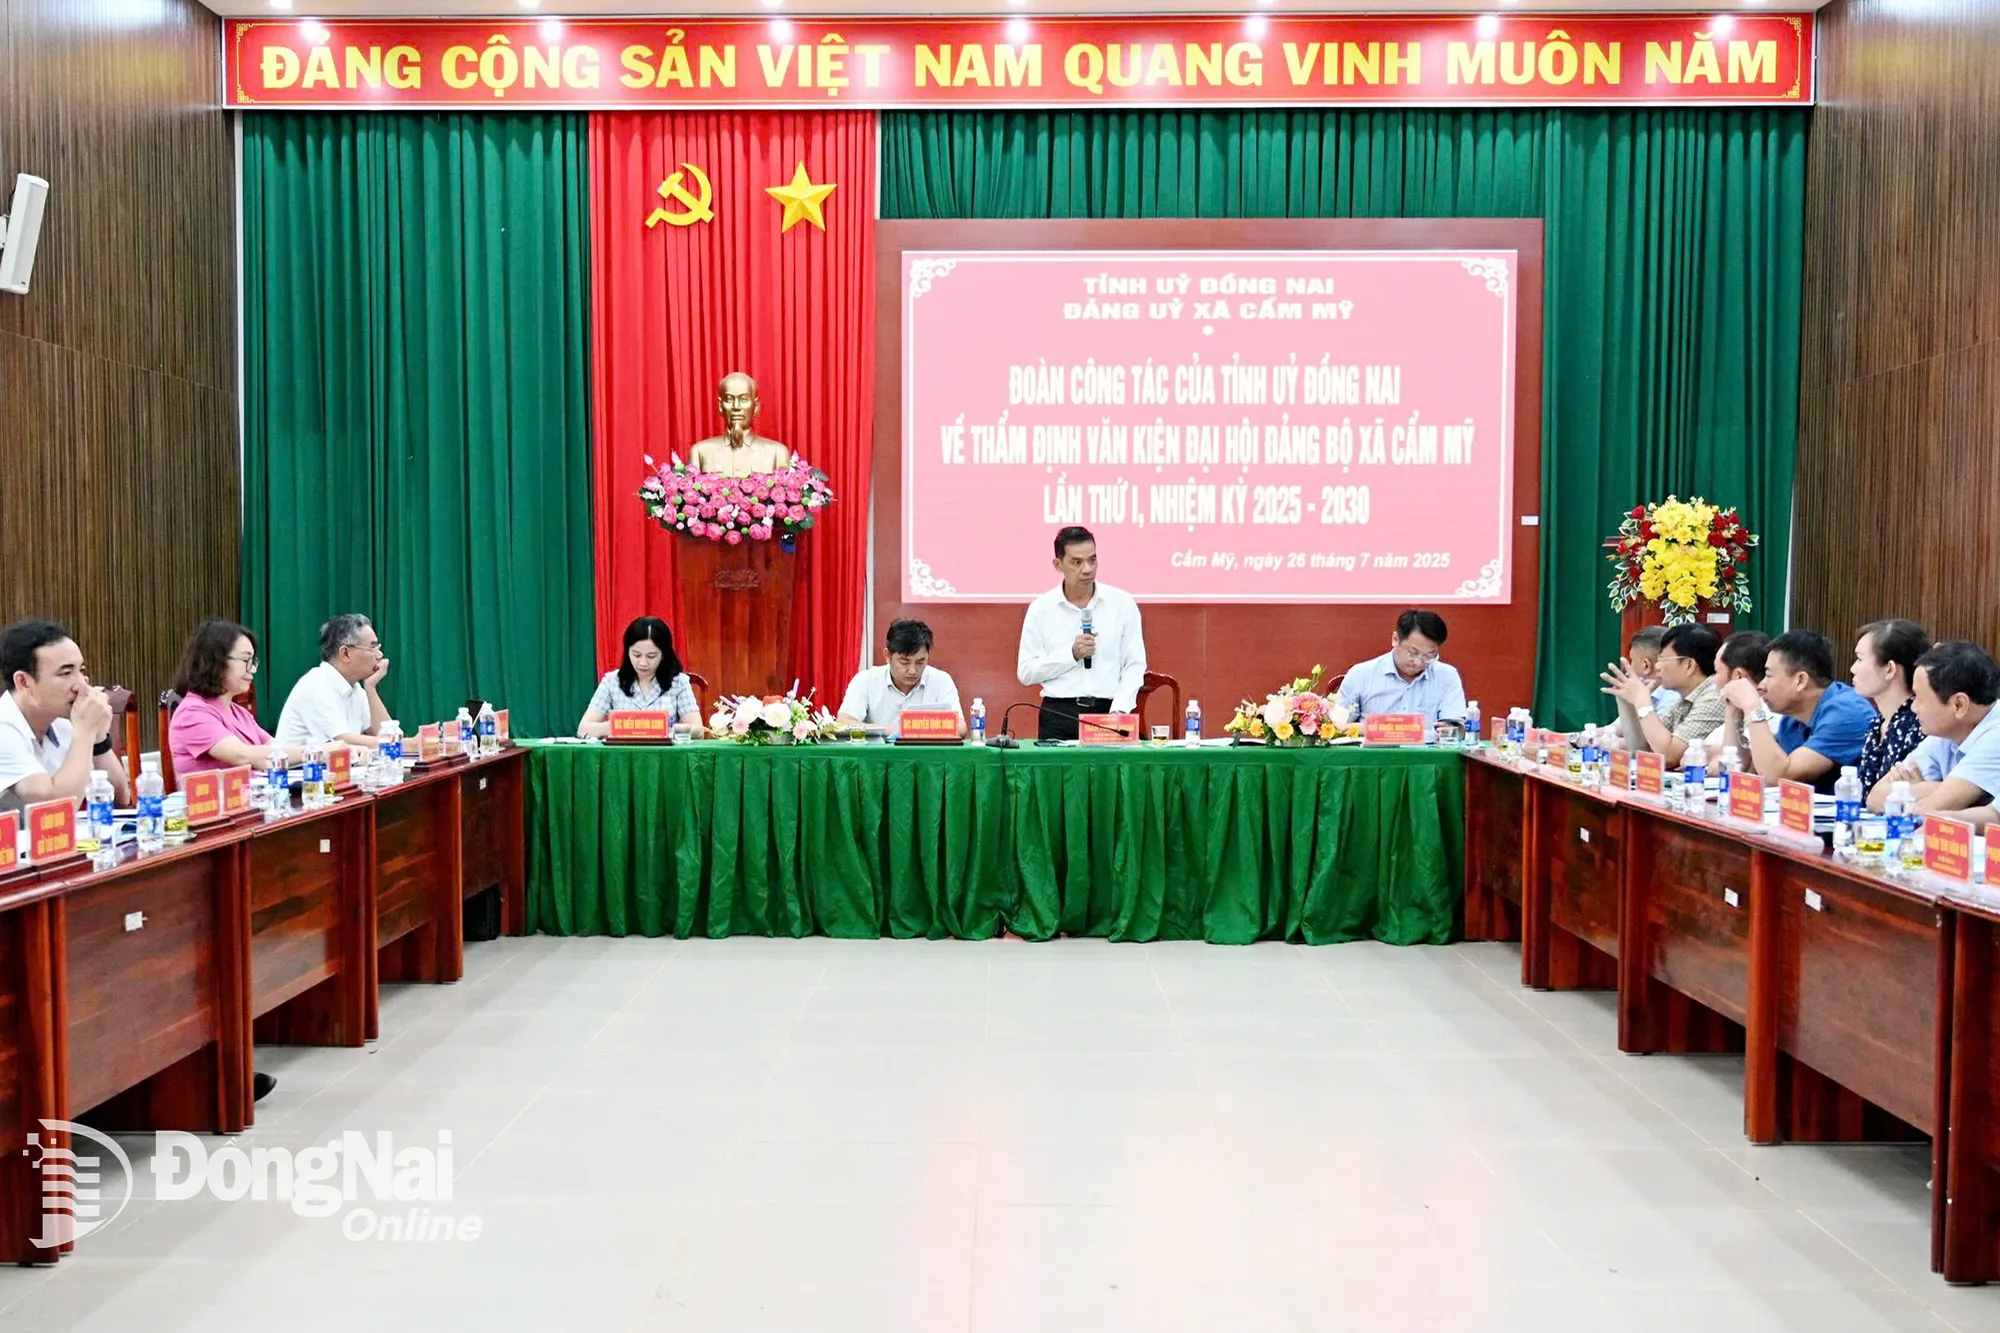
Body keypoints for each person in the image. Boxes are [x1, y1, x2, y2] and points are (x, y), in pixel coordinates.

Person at [1016, 526, 1147, 741]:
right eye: (1077, 562)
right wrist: (1071, 655)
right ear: (1058, 565)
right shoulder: (1041, 609)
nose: (1087, 569)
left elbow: (1134, 664)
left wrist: (1120, 710)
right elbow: (1026, 672)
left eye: (1092, 560)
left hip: (1109, 711)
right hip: (1059, 714)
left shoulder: (1122, 604)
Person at [0, 619, 132, 815]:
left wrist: (98, 738)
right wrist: (85, 731)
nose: (82, 685)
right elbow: (56, 808)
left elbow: (120, 798)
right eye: (66, 673)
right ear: (24, 682)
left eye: (81, 671)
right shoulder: (4, 729)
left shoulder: (62, 721)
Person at [1721, 630, 1876, 793]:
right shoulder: (1794, 717)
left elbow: (1777, 776)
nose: (1761, 685)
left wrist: (1753, 708)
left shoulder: (1846, 712)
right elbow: (1745, 768)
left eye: (1769, 675)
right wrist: (1733, 709)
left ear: (1800, 681)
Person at [1868, 641, 2000, 825]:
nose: (1913, 708)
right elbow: (1875, 797)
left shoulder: (1996, 736)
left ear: (1959, 705)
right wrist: (1943, 789)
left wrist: (1915, 793)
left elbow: (1928, 810)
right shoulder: (1946, 731)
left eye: (1919, 698)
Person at [166, 620, 299, 779]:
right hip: (214, 796)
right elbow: (242, 756)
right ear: (215, 661)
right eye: (245, 660)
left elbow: (276, 749)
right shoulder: (191, 713)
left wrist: (317, 751)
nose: (253, 669)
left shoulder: (239, 713)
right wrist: (313, 752)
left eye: (253, 661)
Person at [1600, 622, 1725, 766]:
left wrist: (1642, 701)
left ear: (1689, 665)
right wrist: (1626, 702)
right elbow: (1643, 750)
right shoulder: (1685, 698)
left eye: (1663, 659)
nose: (1657, 666)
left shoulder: (1714, 695)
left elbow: (1668, 756)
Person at [275, 614, 391, 750]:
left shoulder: (355, 688)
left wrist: (371, 688)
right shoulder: (316, 684)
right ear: (345, 653)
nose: (380, 655)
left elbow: (382, 733)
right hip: (299, 764)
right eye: (372, 648)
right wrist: (406, 744)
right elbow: (342, 742)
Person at [1336, 609, 1467, 726]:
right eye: (1413, 652)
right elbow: (1337, 726)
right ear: (1395, 639)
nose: (1418, 662)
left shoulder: (1447, 676)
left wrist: (1449, 729)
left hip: (1427, 746)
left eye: (1429, 656)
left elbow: (1456, 726)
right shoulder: (1361, 674)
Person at [577, 616, 702, 738]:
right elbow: (583, 729)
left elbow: (698, 730)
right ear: (628, 651)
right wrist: (618, 726)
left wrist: (665, 729)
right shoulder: (611, 682)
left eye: (651, 656)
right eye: (636, 655)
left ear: (663, 654)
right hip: (623, 751)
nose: (643, 663)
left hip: (663, 751)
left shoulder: (679, 683)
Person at [838, 619, 964, 735]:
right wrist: (889, 731)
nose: (913, 671)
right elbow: (844, 722)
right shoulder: (866, 680)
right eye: (905, 662)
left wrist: (909, 730)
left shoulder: (941, 681)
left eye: (920, 662)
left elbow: (960, 727)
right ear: (887, 655)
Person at [1852, 619, 1930, 791]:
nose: (1853, 668)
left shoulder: (1920, 726)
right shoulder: (1876, 724)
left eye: (1859, 659)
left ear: (1889, 669)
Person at [687, 372, 792, 478]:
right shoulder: (700, 452)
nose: (736, 407)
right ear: (720, 406)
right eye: (729, 399)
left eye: (743, 399)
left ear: (755, 406)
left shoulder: (777, 453)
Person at [1710, 630, 1772, 748]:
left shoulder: (1768, 715)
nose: (1713, 679)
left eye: (1716, 671)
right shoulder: (1739, 708)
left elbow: (1731, 756)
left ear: (1738, 676)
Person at [1627, 626, 1681, 715]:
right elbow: (1618, 724)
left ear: (1646, 665)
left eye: (1632, 660)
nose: (1630, 667)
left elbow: (1652, 725)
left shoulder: (1672, 699)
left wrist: (1639, 701)